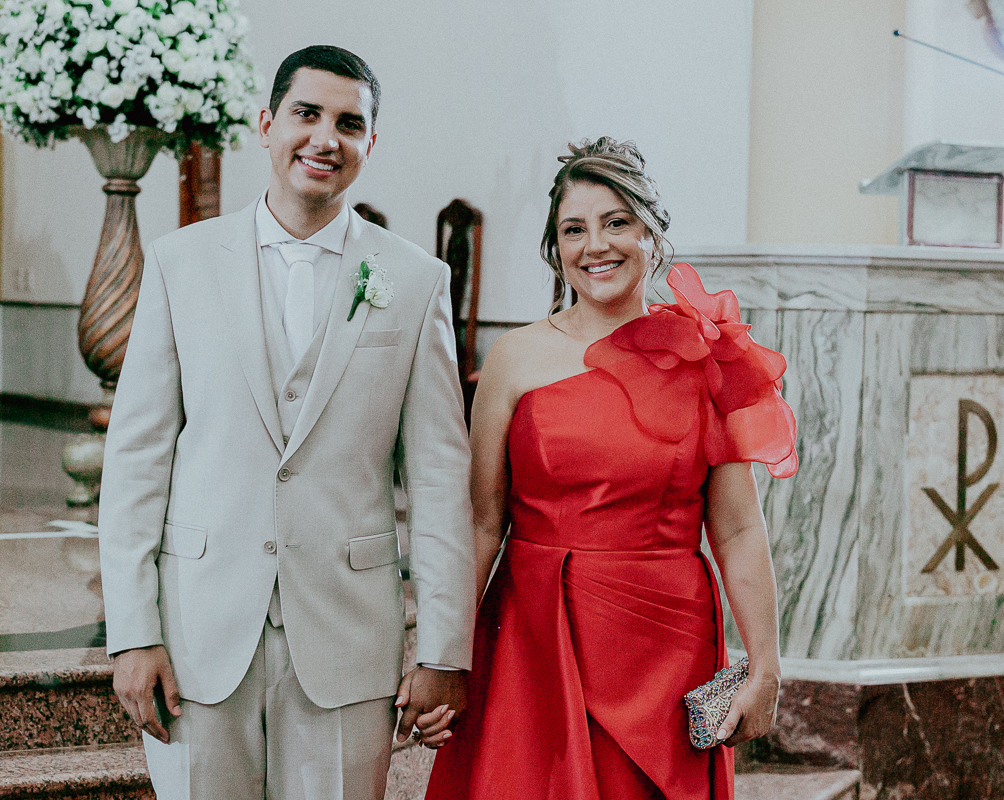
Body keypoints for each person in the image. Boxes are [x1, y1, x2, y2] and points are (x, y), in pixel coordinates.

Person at [98, 45, 475, 800]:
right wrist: (134, 634)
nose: (324, 138)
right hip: (202, 632)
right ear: (268, 124)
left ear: (372, 143)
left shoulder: (413, 281)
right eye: (306, 114)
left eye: (349, 123)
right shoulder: (180, 263)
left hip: (346, 636)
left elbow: (438, 478)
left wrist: (443, 649)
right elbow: (138, 458)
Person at [422, 137, 798, 799]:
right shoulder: (514, 358)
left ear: (653, 234)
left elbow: (738, 530)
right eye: (575, 230)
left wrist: (765, 666)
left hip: (664, 649)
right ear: (556, 248)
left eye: (617, 222)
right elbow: (483, 524)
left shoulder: (704, 358)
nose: (596, 245)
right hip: (533, 639)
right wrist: (442, 656)